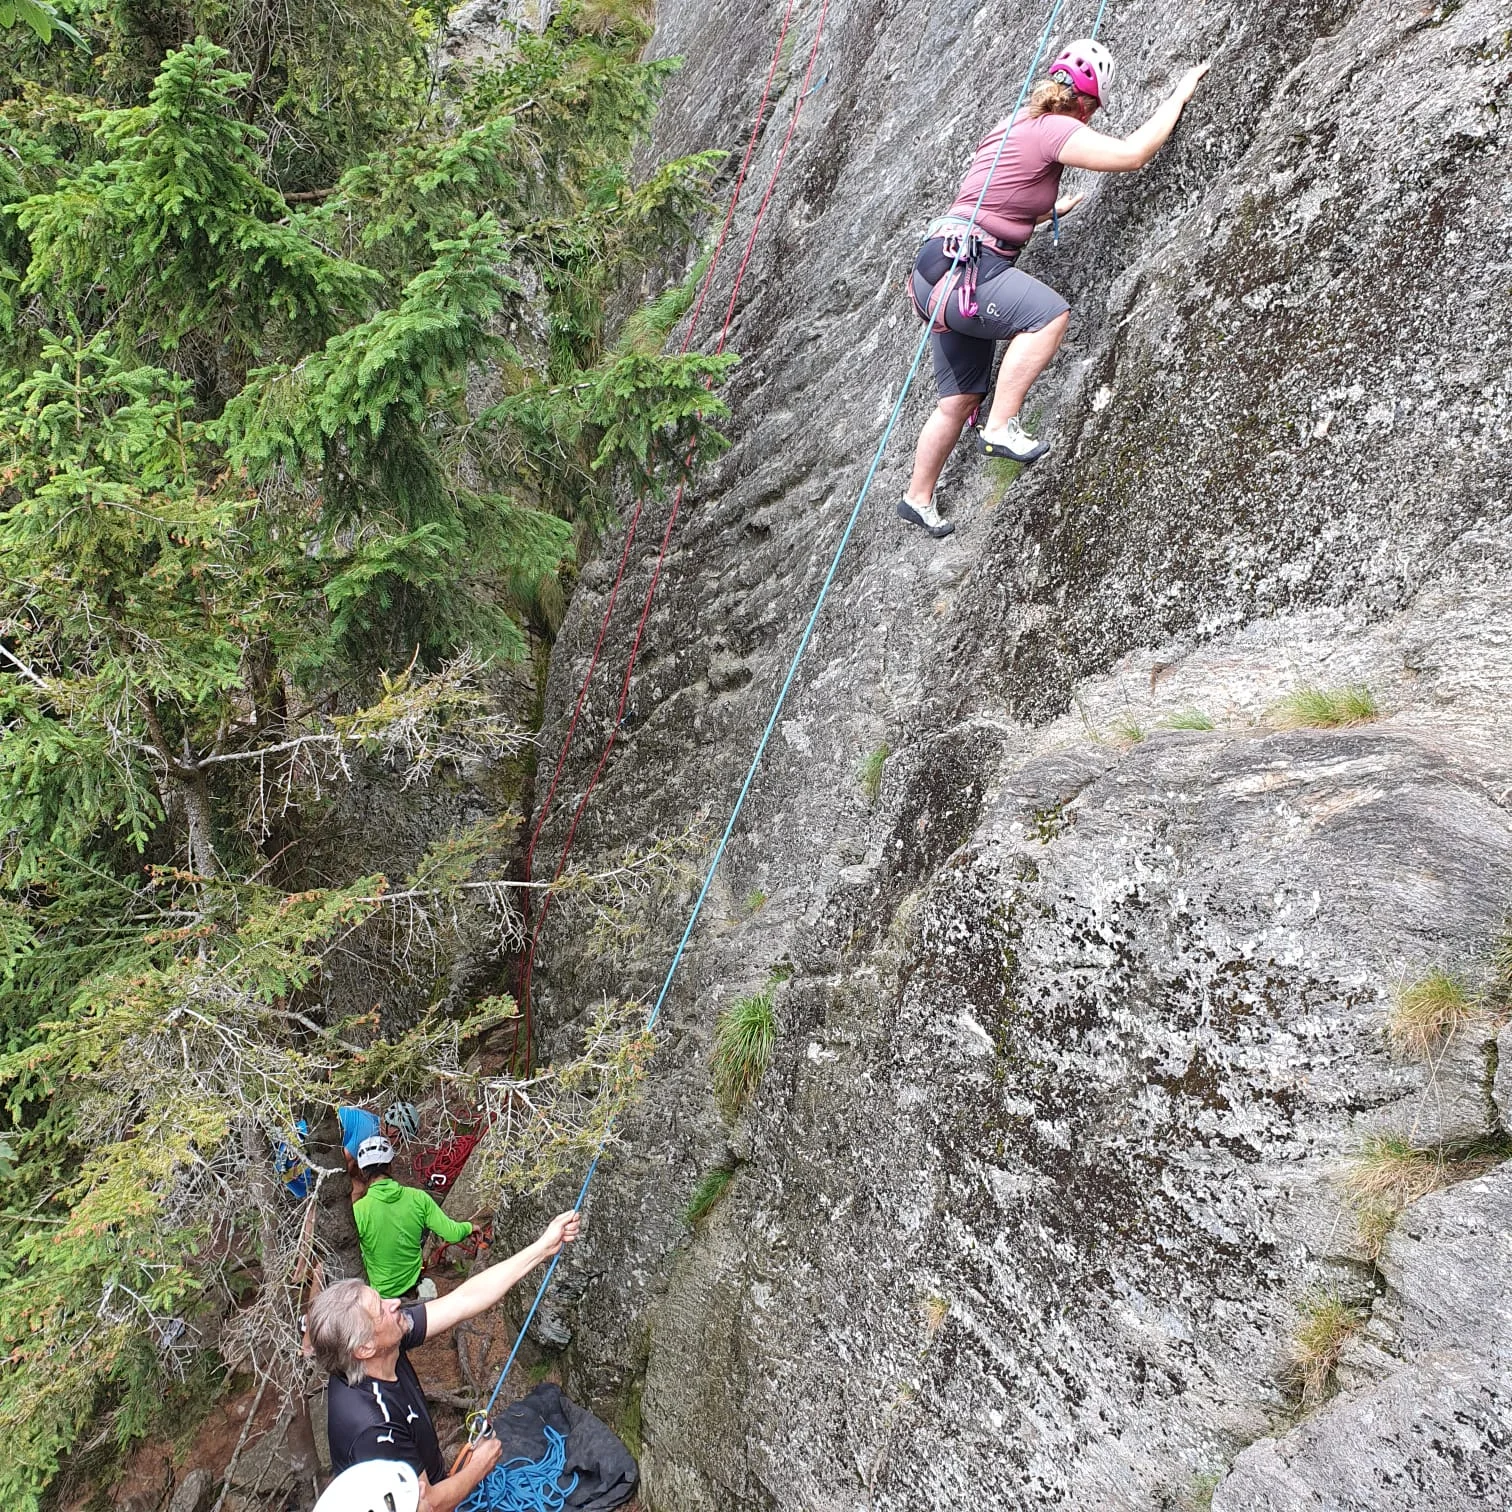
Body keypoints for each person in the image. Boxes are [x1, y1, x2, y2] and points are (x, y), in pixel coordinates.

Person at [899, 41, 1211, 538]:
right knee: (1047, 315)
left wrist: (1046, 212)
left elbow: (997, 193)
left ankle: (918, 498)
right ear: (1085, 103)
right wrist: (1180, 93)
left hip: (937, 269)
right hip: (970, 271)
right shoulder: (1056, 127)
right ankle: (1000, 428)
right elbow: (1131, 155)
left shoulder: (1012, 125)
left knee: (956, 400)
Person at [307, 1211, 581, 1512]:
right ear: (365, 1348)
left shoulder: (384, 1343)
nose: (395, 1303)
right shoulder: (374, 1428)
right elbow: (427, 1505)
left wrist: (543, 1247)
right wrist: (478, 1467)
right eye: (381, 1309)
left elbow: (463, 1300)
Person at [352, 1135, 474, 1298]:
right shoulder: (418, 1198)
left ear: (362, 1171)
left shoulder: (358, 1210)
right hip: (413, 1286)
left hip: (381, 1296)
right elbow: (453, 1233)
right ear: (390, 1166)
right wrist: (471, 1227)